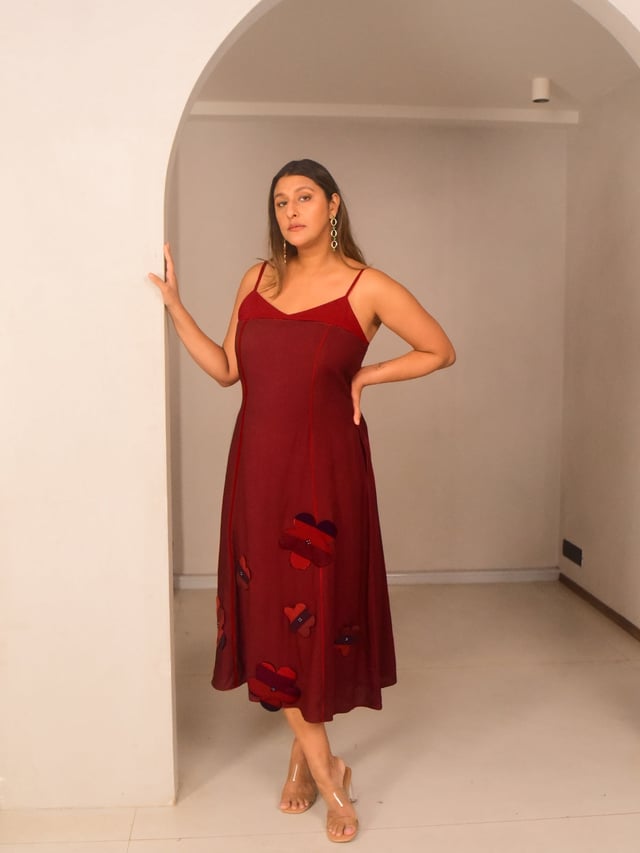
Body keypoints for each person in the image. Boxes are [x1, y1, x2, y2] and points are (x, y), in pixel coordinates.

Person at [148, 158, 455, 843]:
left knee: (313, 612)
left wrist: (367, 375)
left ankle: (315, 768)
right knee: (271, 612)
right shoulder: (256, 279)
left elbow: (440, 349)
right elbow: (228, 370)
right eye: (281, 200)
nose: (291, 210)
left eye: (305, 197)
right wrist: (176, 308)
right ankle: (325, 765)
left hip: (324, 476)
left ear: (333, 205)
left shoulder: (367, 286)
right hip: (257, 473)